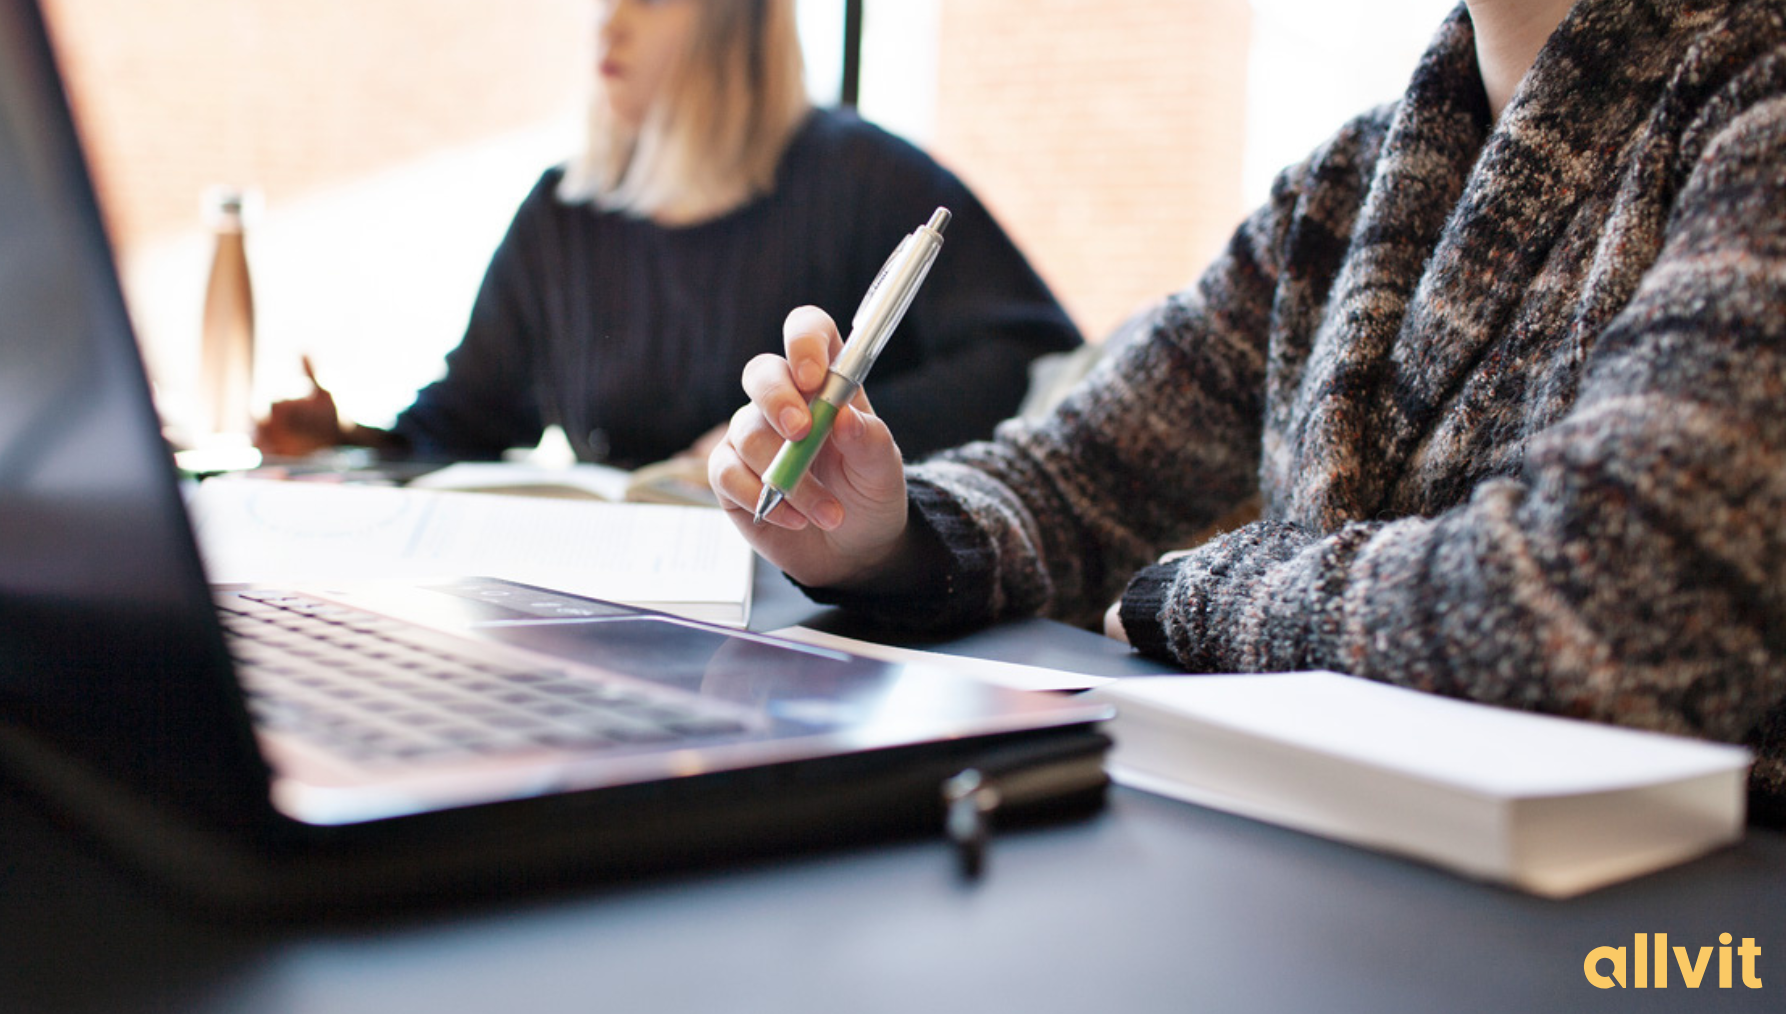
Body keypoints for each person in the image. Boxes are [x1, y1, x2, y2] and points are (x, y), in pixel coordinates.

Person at [710, 0, 1786, 809]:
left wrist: (1210, 596)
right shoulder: (1350, 182)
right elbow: (1086, 474)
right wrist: (884, 532)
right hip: (1362, 865)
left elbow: (1625, 604)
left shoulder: (1753, 106)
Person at [256, 0, 1079, 469]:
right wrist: (344, 443)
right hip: (620, 607)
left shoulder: (868, 178)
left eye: (645, 0)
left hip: (822, 611)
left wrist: (822, 423)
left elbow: (1030, 364)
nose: (607, 24)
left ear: (735, 20)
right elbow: (468, 416)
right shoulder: (565, 212)